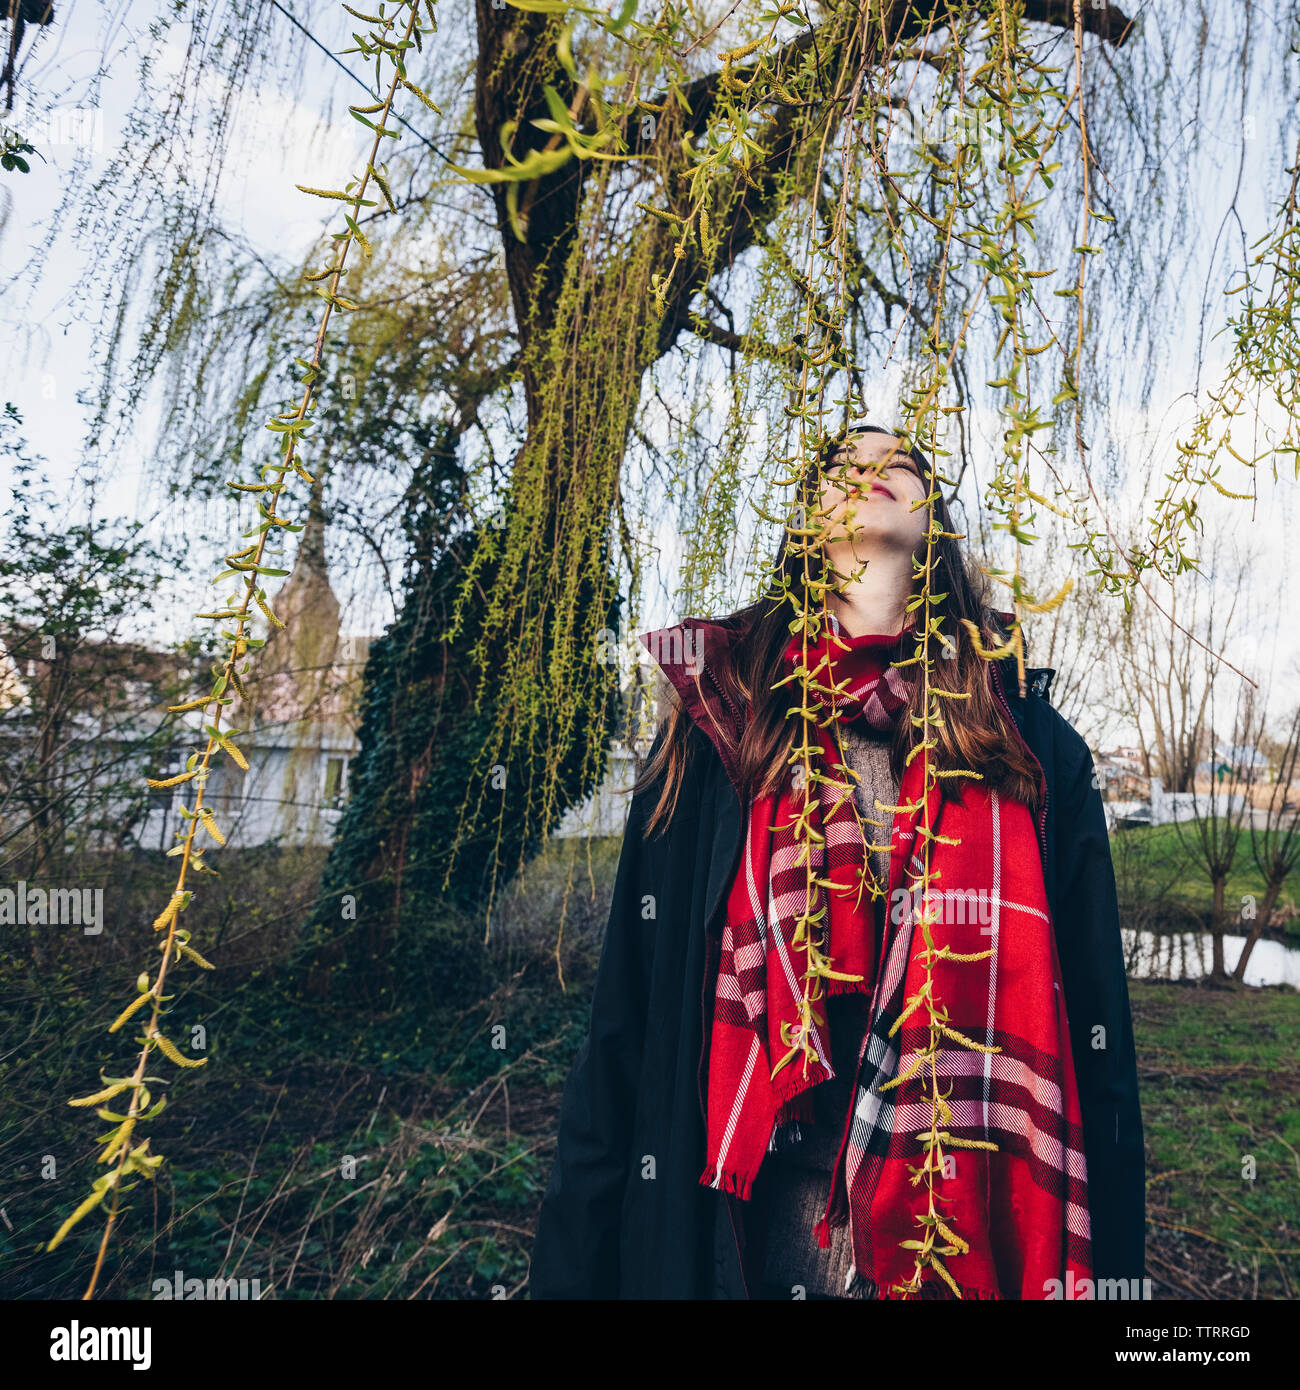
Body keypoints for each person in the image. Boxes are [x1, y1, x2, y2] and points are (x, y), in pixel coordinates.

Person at [529, 425, 1145, 1300]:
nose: (871, 471)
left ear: (938, 525)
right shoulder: (718, 730)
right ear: (805, 528)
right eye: (841, 464)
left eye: (902, 460)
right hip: (747, 1255)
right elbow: (624, 1034)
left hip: (966, 1255)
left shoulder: (1032, 749)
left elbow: (1100, 1043)